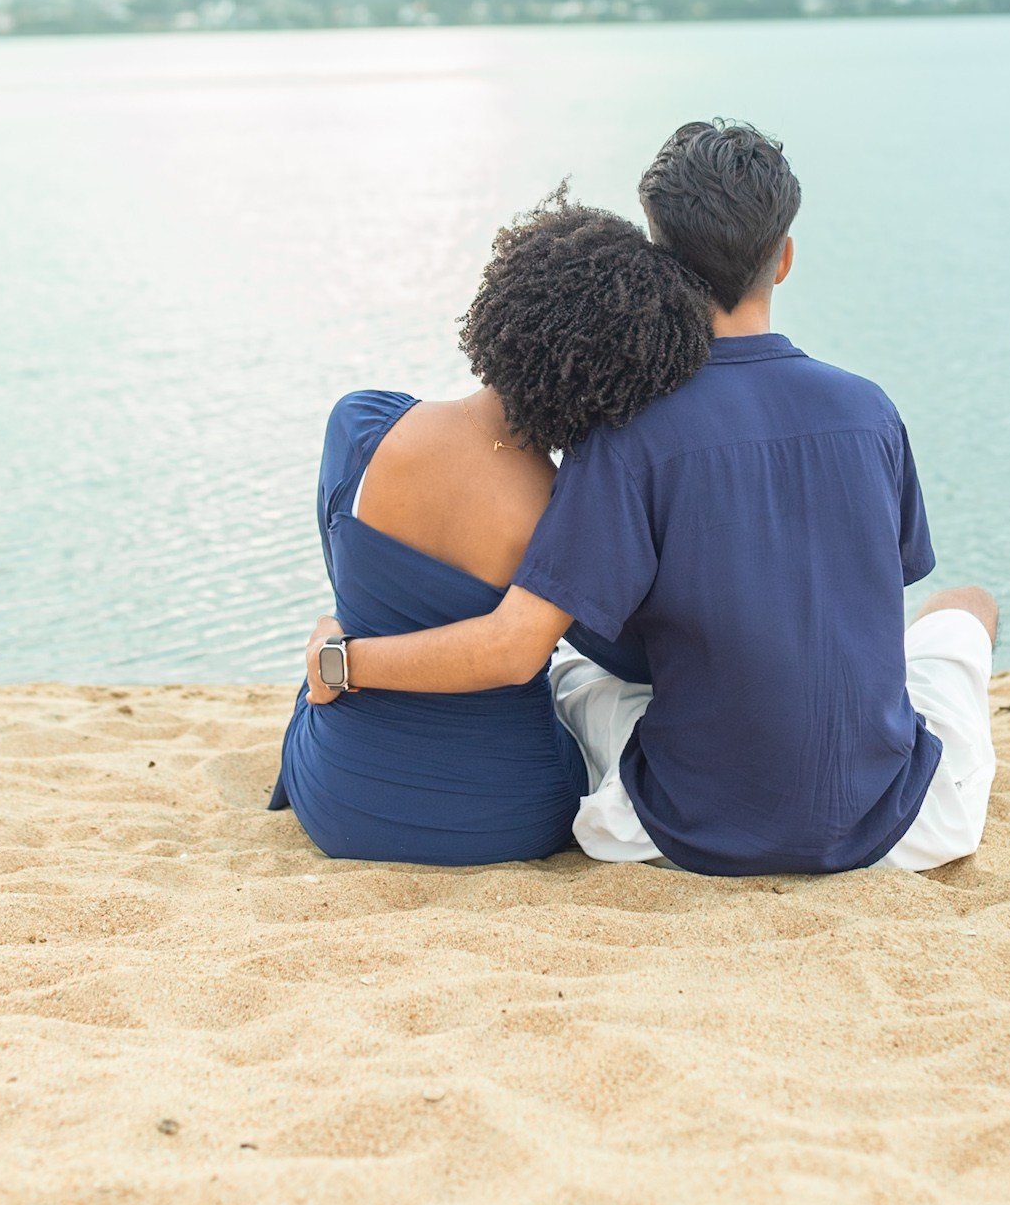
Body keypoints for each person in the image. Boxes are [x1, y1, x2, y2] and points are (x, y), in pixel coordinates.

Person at [302, 121, 1000, 877]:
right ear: (786, 257)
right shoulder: (872, 411)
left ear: (660, 263)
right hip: (900, 821)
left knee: (571, 676)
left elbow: (531, 644)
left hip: (689, 826)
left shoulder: (629, 436)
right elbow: (881, 580)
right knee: (963, 609)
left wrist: (345, 659)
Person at [272, 193, 713, 865]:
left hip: (343, 801)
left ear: (504, 305)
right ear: (626, 384)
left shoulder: (359, 426)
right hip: (509, 815)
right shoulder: (571, 514)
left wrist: (337, 649)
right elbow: (631, 660)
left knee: (326, 651)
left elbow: (348, 582)